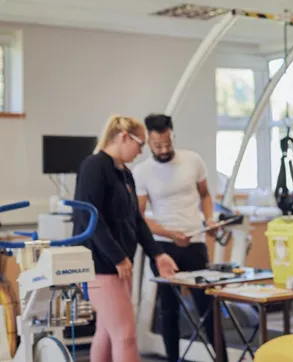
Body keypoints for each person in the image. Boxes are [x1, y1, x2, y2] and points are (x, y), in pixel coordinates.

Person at [72, 115, 179, 362]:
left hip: (118, 265)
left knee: (108, 333)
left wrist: (157, 253)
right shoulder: (94, 167)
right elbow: (91, 218)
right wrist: (118, 257)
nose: (141, 151)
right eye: (140, 144)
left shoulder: (124, 174)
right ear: (123, 137)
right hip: (101, 264)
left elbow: (137, 220)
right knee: (126, 335)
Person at [132, 114, 228, 362]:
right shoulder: (142, 172)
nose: (163, 150)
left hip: (195, 242)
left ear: (172, 135)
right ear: (149, 142)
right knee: (168, 308)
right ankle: (173, 359)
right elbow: (139, 217)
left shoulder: (192, 160)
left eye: (167, 143)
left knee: (207, 304)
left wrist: (208, 220)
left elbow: (205, 195)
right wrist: (170, 234)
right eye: (157, 146)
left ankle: (223, 359)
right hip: (163, 246)